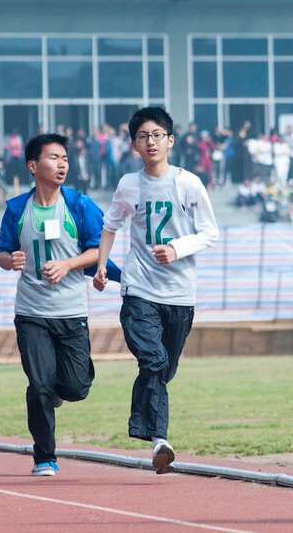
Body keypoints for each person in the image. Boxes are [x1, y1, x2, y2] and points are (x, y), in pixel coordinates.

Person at [93, 107, 219, 475]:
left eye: (157, 134)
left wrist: (177, 248)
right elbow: (111, 225)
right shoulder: (128, 185)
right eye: (143, 136)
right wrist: (102, 265)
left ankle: (142, 423)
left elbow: (210, 233)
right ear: (134, 144)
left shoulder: (190, 184)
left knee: (164, 368)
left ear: (171, 140)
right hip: (139, 290)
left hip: (180, 295)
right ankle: (159, 440)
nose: (151, 141)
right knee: (154, 362)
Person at [0, 133, 119, 477]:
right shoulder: (16, 208)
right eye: (54, 158)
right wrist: (11, 260)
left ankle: (57, 392)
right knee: (39, 385)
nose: (62, 164)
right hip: (31, 312)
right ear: (33, 166)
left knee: (76, 387)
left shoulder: (79, 205)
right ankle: (44, 457)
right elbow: (1, 253)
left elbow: (99, 250)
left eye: (65, 158)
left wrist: (68, 265)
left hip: (71, 311)